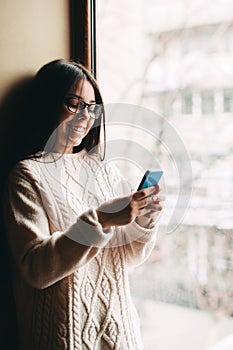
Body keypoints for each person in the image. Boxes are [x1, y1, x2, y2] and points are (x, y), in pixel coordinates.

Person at [3, 59, 163, 350]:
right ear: (47, 103)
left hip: (120, 333)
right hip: (63, 338)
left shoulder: (103, 170)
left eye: (92, 107)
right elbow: (35, 269)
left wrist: (143, 222)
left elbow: (125, 257)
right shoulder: (27, 175)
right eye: (73, 104)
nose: (84, 116)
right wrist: (101, 219)